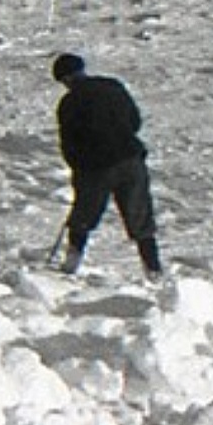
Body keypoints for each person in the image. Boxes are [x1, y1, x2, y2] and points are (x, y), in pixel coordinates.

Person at [52, 52, 163, 279]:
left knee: (83, 216)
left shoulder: (69, 103)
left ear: (65, 79)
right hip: (130, 160)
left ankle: (71, 264)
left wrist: (78, 168)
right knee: (140, 218)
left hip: (95, 169)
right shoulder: (113, 87)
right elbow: (135, 121)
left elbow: (70, 143)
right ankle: (153, 270)